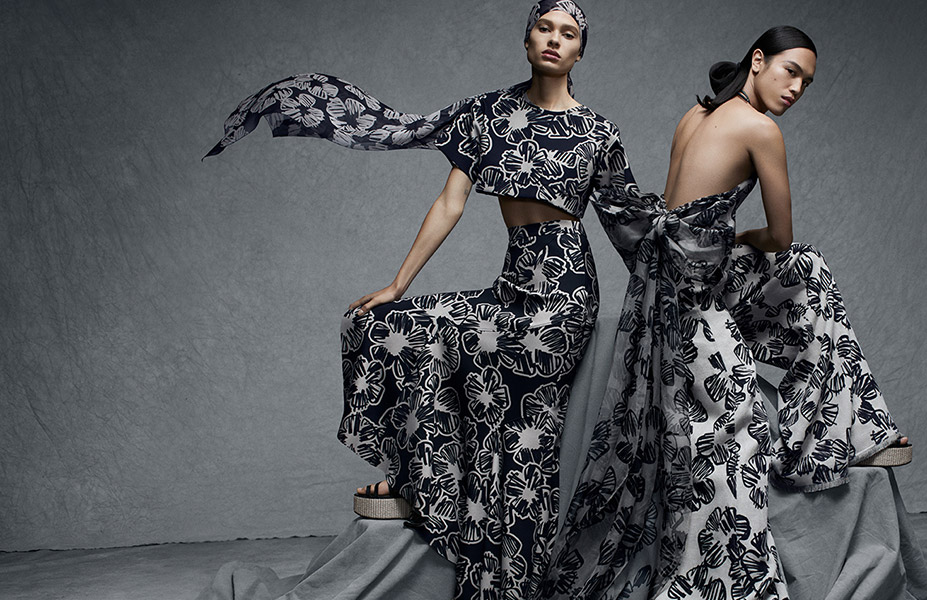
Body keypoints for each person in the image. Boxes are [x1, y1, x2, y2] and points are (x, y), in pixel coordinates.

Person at [205, 2, 633, 597]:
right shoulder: (489, 113)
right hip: (512, 284)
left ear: (580, 52)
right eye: (544, 28)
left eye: (569, 34)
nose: (554, 40)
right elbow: (450, 204)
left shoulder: (598, 132)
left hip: (564, 296)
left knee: (520, 427)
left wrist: (675, 285)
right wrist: (398, 285)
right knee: (387, 326)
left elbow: (627, 221)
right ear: (526, 39)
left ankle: (507, 570)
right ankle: (421, 478)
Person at [543, 26, 909, 599]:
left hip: (662, 284)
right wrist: (741, 238)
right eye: (790, 71)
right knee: (800, 283)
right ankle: (828, 440)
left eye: (807, 83)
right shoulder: (761, 130)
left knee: (807, 273)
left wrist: (725, 245)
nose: (796, 89)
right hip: (691, 298)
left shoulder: (695, 115)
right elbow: (780, 237)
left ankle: (839, 430)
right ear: (758, 60)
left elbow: (676, 217)